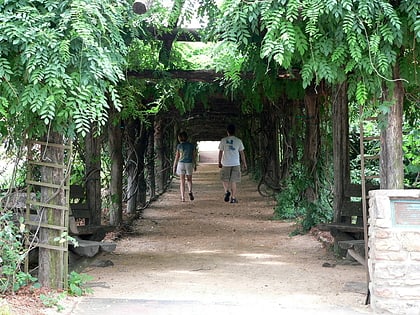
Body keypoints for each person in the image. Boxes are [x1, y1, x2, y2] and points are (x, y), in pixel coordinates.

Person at [218, 124, 247, 203]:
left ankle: (226, 191)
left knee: (224, 179)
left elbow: (220, 152)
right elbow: (242, 153)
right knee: (233, 181)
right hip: (236, 163)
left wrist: (219, 162)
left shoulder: (223, 140)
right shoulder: (238, 140)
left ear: (227, 132)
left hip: (226, 163)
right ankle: (233, 198)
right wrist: (244, 163)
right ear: (235, 131)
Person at [173, 131, 197, 202]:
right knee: (189, 180)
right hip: (189, 164)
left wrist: (174, 166)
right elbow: (193, 156)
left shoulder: (179, 146)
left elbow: (177, 157)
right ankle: (190, 191)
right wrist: (195, 164)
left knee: (182, 181)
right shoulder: (191, 145)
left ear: (179, 138)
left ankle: (183, 197)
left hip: (181, 164)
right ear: (187, 137)